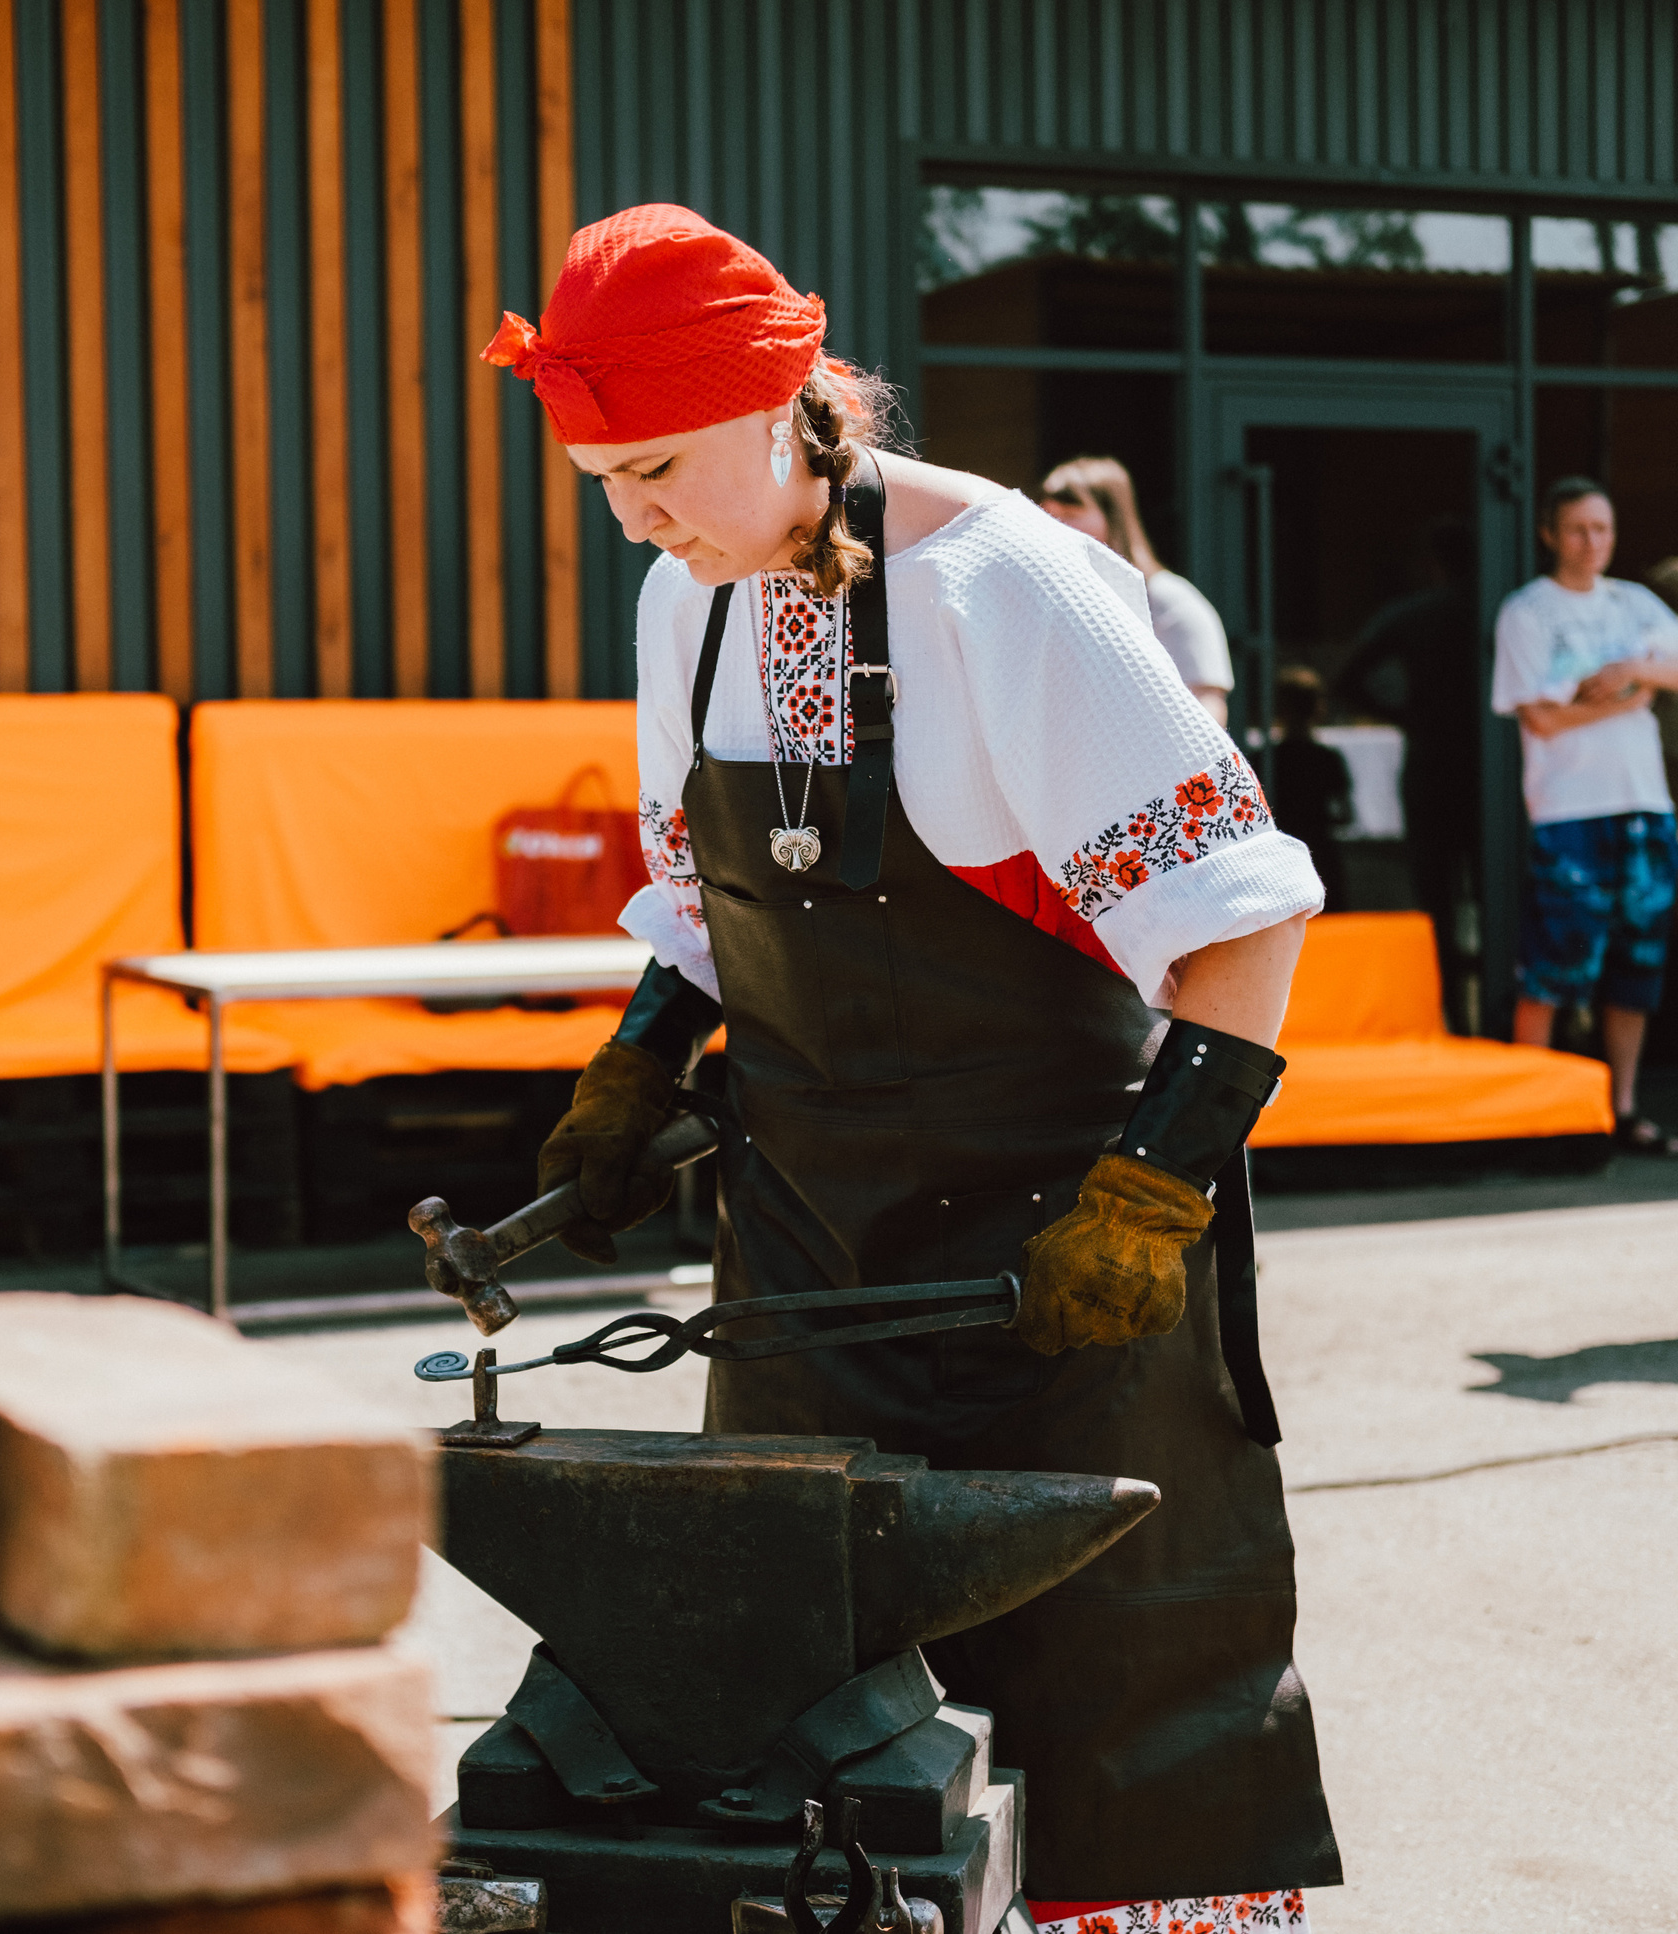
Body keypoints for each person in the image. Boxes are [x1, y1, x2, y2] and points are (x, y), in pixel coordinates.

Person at [487, 206, 1338, 1924]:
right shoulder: (691, 600)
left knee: (1113, 1729)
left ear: (778, 403)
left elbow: (1246, 909)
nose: (633, 516)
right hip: (809, 1261)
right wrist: (636, 1074)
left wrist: (1149, 1192)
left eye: (653, 466)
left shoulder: (1002, 581)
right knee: (797, 1728)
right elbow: (708, 903)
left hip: (1061, 1264)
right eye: (601, 482)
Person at [1491, 478, 1678, 1152]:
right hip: (1571, 812)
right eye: (1577, 529)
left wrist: (1637, 668)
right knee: (1552, 969)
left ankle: (1621, 1109)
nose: (1591, 542)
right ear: (1549, 533)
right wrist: (1625, 701)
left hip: (1646, 810)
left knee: (1636, 970)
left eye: (1602, 529)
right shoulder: (1529, 613)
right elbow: (1541, 718)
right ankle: (1531, 1115)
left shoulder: (1637, 605)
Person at [1336, 519, 1482, 996]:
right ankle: (1478, 1000)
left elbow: (1347, 678)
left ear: (1435, 564)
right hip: (1485, 766)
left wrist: (1402, 714)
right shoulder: (1490, 611)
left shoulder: (1415, 615)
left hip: (1432, 760)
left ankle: (1447, 1005)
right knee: (1491, 886)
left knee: (1435, 893)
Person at [1038, 455, 1233, 724]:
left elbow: (1207, 707)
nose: (1053, 527)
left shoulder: (1171, 601)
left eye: (1070, 515)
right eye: (1047, 515)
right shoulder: (1054, 599)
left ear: (1112, 517)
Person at [1268, 666, 1353, 910]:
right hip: (1321, 854)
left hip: (1282, 856)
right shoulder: (1327, 758)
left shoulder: (1268, 759)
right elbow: (1345, 814)